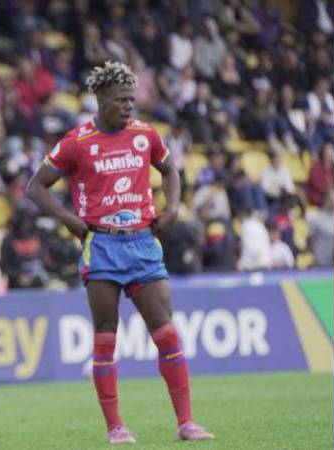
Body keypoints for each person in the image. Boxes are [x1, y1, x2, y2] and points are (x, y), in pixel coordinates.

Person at [25, 61, 214, 444]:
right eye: (121, 100)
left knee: (167, 334)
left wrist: (174, 207)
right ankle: (115, 427)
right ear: (100, 99)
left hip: (142, 242)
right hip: (102, 245)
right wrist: (68, 219)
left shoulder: (145, 135)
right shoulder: (76, 142)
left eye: (131, 99)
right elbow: (35, 187)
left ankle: (186, 423)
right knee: (105, 337)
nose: (128, 106)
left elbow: (170, 170)